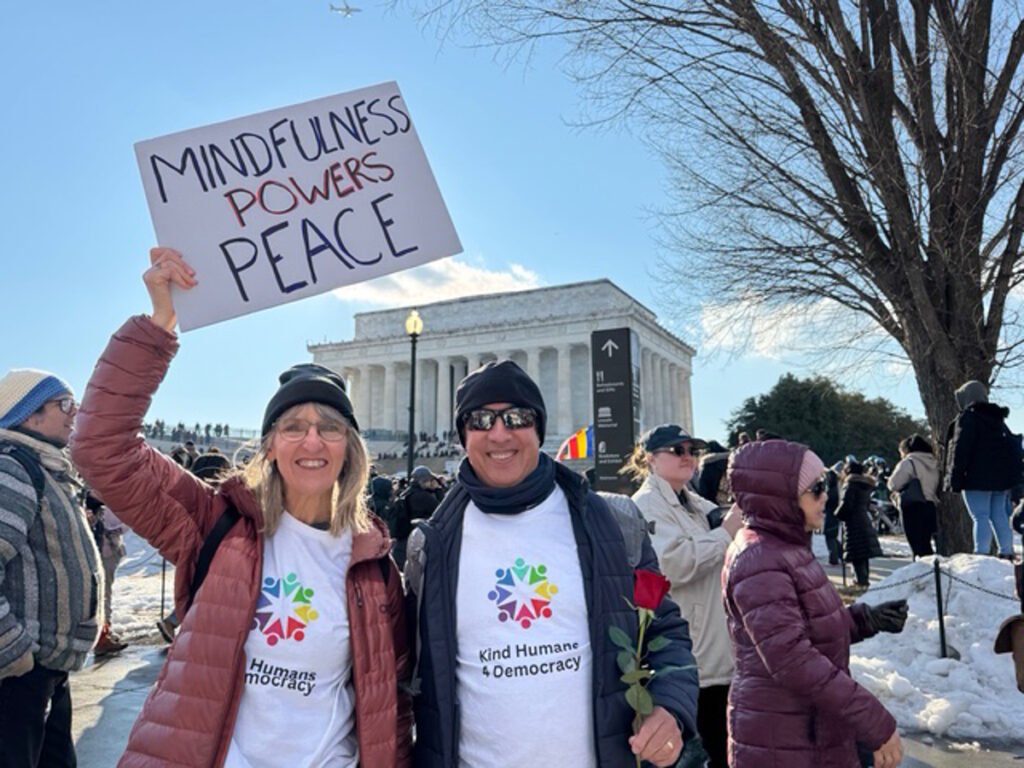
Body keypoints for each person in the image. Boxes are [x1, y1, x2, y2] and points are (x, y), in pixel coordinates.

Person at [70, 247, 411, 767]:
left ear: (350, 449)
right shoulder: (216, 524)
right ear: (269, 446)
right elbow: (102, 447)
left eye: (329, 428)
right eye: (293, 427)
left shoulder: (375, 568)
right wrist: (159, 324)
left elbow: (390, 702)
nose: (312, 442)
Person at [405, 360, 699, 767]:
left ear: (539, 428)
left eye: (517, 417)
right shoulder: (431, 545)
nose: (500, 433)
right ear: (463, 435)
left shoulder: (613, 523)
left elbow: (666, 630)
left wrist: (670, 706)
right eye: (480, 420)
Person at [724, 439, 907, 768]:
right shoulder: (759, 559)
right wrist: (873, 719)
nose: (826, 496)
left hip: (810, 729)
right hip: (783, 738)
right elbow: (792, 659)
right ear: (779, 497)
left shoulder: (786, 547)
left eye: (825, 485)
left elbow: (804, 627)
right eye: (816, 489)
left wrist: (864, 619)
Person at [0, 368, 102, 768]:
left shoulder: (46, 469)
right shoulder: (12, 469)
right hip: (18, 673)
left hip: (45, 670)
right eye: (64, 404)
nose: (75, 412)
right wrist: (13, 650)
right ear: (28, 413)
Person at [627, 424, 740, 768]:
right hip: (690, 651)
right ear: (650, 458)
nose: (688, 457)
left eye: (693, 450)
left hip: (716, 648)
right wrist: (725, 533)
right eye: (677, 450)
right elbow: (671, 564)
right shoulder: (645, 505)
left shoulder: (695, 503)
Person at [945, 380, 1019, 558]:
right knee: (999, 515)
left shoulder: (968, 418)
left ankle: (981, 553)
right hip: (1001, 479)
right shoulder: (998, 420)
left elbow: (960, 449)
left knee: (980, 516)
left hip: (976, 477)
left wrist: (955, 478)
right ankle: (1006, 551)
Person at [84, 491, 129, 657]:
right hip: (105, 548)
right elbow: (115, 522)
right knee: (103, 594)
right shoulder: (105, 495)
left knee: (101, 593)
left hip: (103, 547)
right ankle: (102, 637)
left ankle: (103, 634)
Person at [887, 434, 940, 558]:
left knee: (917, 546)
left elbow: (893, 484)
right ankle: (931, 566)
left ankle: (921, 568)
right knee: (926, 544)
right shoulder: (934, 462)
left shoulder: (909, 462)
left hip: (913, 506)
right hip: (930, 504)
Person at [836, 458, 884, 588]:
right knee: (862, 554)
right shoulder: (865, 485)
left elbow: (847, 504)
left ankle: (859, 581)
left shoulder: (850, 483)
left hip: (853, 521)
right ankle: (863, 579)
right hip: (863, 519)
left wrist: (838, 514)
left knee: (855, 552)